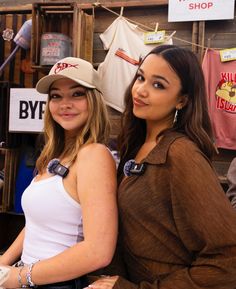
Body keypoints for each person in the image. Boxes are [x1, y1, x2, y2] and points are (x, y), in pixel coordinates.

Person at [87, 45, 236, 289]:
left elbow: (229, 259)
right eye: (141, 77)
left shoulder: (181, 154)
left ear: (182, 100)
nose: (141, 90)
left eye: (158, 85)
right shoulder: (136, 144)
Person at [0, 57, 118, 289]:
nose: (65, 103)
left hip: (53, 282)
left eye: (77, 94)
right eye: (56, 96)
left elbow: (98, 251)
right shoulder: (53, 156)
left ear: (94, 100)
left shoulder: (94, 156)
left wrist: (20, 277)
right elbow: (37, 224)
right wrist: (5, 262)